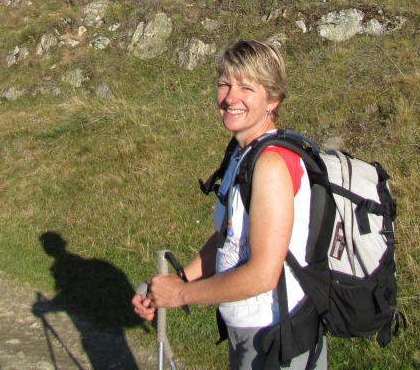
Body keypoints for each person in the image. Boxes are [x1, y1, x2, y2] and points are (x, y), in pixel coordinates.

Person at [132, 40, 326, 370]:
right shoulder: (241, 155)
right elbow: (229, 238)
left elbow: (263, 275)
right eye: (225, 84)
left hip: (278, 335)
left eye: (246, 88)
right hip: (248, 328)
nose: (230, 98)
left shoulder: (272, 164)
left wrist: (181, 295)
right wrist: (176, 282)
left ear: (273, 100)